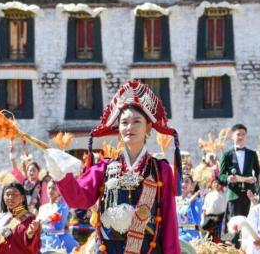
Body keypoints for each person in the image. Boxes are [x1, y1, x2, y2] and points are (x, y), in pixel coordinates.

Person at [44, 80, 181, 253]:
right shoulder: (104, 167)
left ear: (148, 127)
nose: (129, 127)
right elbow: (78, 199)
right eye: (124, 122)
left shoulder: (161, 170)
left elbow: (169, 222)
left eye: (136, 121)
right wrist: (61, 174)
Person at [219, 124, 260, 247]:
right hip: (234, 195)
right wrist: (228, 178)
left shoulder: (252, 154)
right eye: (238, 134)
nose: (241, 137)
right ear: (232, 136)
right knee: (235, 225)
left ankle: (248, 248)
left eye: (243, 134)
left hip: (249, 195)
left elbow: (258, 173)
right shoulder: (227, 155)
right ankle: (234, 248)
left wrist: (255, 181)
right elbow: (221, 176)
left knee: (250, 223)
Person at [0, 182, 41, 253]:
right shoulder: (0, 218)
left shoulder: (30, 219)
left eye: (14, 194)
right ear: (3, 197)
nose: (10, 198)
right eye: (7, 194)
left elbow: (35, 248)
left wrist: (30, 235)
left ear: (22, 198)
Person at [37, 180, 78, 253]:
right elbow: (38, 225)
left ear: (59, 191)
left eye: (54, 188)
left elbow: (59, 227)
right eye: (49, 188)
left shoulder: (63, 207)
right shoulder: (42, 208)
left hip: (58, 239)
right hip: (43, 240)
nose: (50, 190)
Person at [10, 146, 48, 214]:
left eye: (34, 170)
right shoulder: (24, 181)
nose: (31, 172)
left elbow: (44, 201)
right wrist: (12, 155)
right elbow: (15, 170)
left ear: (38, 171)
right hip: (21, 211)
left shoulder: (42, 184)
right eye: (30, 170)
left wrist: (41, 213)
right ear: (27, 172)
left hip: (35, 212)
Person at [176, 174, 202, 242]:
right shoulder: (174, 200)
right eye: (181, 181)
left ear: (192, 186)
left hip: (190, 237)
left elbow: (197, 226)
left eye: (187, 181)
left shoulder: (196, 202)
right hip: (175, 235)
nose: (183, 184)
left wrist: (180, 227)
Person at [200, 178, 227, 243]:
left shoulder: (224, 195)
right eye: (214, 183)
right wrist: (203, 220)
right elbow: (204, 209)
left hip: (220, 219)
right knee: (208, 239)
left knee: (218, 240)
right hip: (208, 218)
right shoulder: (208, 195)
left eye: (218, 183)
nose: (216, 184)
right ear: (211, 184)